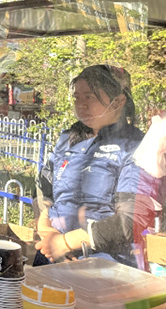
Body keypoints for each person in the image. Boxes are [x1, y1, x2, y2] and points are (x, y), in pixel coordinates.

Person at [35, 65, 161, 267]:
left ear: (118, 101)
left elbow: (130, 221)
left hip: (103, 266)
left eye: (90, 97)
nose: (81, 105)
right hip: (50, 255)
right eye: (77, 97)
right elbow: (45, 191)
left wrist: (66, 243)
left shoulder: (136, 148)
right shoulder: (68, 140)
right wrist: (47, 231)